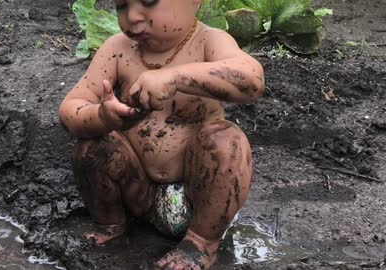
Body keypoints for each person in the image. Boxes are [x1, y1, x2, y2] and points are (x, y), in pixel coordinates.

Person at [58, 0, 264, 269]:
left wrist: (176, 77)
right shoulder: (117, 49)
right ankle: (110, 225)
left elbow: (252, 81)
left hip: (197, 198)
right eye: (121, 5)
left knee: (227, 142)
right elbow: (70, 108)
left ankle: (201, 244)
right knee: (95, 144)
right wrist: (102, 116)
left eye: (148, 2)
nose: (132, 17)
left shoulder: (209, 41)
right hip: (136, 192)